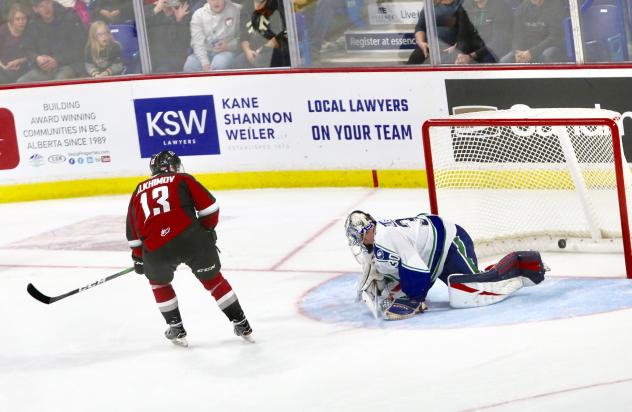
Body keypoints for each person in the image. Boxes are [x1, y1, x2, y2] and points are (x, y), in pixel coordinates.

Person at [126, 150, 254, 346]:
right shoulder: (182, 179)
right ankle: (241, 323)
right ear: (173, 166)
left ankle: (176, 328)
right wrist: (206, 229)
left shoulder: (139, 189)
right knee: (214, 280)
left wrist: (138, 256)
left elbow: (133, 230)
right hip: (191, 239)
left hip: (157, 248)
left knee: (159, 283)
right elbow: (210, 208)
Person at [344, 210, 547, 320]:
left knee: (472, 290)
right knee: (459, 288)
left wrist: (414, 298)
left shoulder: (386, 237)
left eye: (357, 237)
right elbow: (404, 264)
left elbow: (417, 267)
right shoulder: (379, 239)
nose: (358, 242)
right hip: (435, 251)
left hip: (451, 242)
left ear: (367, 230)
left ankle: (522, 265)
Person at [18, 0, 86, 82]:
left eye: (48, 3)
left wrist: (57, 60)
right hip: (44, 69)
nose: (46, 8)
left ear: (52, 2)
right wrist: (36, 58)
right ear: (35, 9)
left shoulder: (69, 18)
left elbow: (80, 48)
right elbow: (27, 49)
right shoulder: (32, 24)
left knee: (58, 82)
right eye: (41, 6)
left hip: (68, 65)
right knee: (22, 81)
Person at [499, 0, 565, 64]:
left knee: (549, 54)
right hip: (526, 51)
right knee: (503, 62)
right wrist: (518, 53)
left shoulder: (556, 5)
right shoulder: (522, 7)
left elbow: (555, 36)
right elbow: (517, 36)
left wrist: (532, 53)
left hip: (546, 48)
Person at [183, 0, 240, 72]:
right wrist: (205, 63)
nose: (216, 2)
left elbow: (242, 37)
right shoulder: (198, 14)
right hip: (204, 52)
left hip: (226, 52)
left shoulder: (236, 10)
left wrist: (229, 46)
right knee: (190, 65)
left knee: (219, 64)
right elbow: (197, 43)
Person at [407, 0, 469, 65]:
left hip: (453, 50)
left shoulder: (462, 3)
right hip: (430, 50)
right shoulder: (431, 4)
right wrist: (421, 42)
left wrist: (457, 46)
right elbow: (420, 27)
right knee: (415, 59)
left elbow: (469, 31)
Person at [233, 0, 289, 69]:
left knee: (259, 60)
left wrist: (264, 48)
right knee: (238, 62)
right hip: (253, 50)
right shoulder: (246, 7)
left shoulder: (277, 5)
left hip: (274, 50)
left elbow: (284, 33)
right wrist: (248, 51)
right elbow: (244, 35)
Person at [454, 0, 513, 64]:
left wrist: (471, 56)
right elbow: (462, 35)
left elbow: (499, 41)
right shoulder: (466, 5)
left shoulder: (500, 7)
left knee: (485, 63)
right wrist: (460, 54)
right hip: (472, 49)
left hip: (493, 50)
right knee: (448, 60)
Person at [144, 0, 191, 73]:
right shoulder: (149, 10)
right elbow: (139, 29)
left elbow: (183, 44)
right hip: (153, 59)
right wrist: (155, 11)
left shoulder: (183, 11)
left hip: (174, 59)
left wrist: (179, 21)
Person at [0, 2, 30, 84]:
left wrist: (20, 61)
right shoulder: (2, 30)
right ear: (12, 19)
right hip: (2, 67)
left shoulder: (30, 31)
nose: (21, 22)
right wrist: (4, 67)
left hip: (23, 68)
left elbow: (33, 53)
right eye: (17, 19)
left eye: (23, 18)